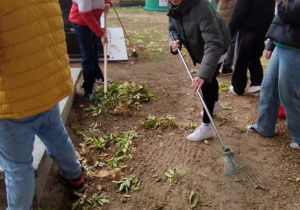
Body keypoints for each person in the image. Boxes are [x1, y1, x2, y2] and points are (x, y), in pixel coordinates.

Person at [0, 0, 85, 209]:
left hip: (14, 101)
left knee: (17, 167)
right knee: (57, 136)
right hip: (47, 88)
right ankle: (75, 177)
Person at [168, 0, 231, 141]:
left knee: (206, 81)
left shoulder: (201, 7)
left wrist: (202, 73)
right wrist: (175, 41)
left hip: (217, 47)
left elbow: (214, 42)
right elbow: (173, 29)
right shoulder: (172, 5)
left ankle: (206, 127)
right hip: (202, 48)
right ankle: (214, 104)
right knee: (211, 76)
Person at [247, 0, 300, 149]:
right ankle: (264, 126)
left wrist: (282, 2)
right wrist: (271, 42)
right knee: (268, 86)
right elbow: (279, 19)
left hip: (296, 47)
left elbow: (290, 14)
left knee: (289, 92)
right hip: (282, 43)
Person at [228, 0, 275, 95]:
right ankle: (257, 82)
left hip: (247, 29)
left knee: (241, 58)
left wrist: (230, 31)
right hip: (262, 28)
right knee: (254, 56)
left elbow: (239, 11)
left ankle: (238, 87)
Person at [69, 0, 112, 99]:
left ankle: (97, 76)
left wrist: (108, 3)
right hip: (81, 22)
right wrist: (101, 33)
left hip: (93, 19)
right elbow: (85, 14)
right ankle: (87, 87)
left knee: (95, 48)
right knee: (88, 53)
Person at [215, 0, 237, 76]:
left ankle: (214, 67)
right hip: (232, 16)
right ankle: (227, 67)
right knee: (231, 42)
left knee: (218, 42)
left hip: (220, 15)